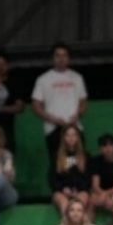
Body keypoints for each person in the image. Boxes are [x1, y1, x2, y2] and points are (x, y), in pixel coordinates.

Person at [31, 42, 88, 174]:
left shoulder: (77, 78)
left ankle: (78, 186)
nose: (61, 58)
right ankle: (60, 187)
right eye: (58, 55)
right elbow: (36, 105)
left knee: (78, 163)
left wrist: (78, 115)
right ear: (53, 58)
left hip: (75, 128)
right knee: (58, 164)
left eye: (64, 55)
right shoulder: (43, 79)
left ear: (68, 58)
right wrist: (52, 119)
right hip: (53, 129)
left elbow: (84, 101)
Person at [51, 125, 90, 216]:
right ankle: (66, 223)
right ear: (64, 138)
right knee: (64, 203)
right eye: (68, 135)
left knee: (79, 204)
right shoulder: (56, 156)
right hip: (61, 191)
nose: (71, 138)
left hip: (80, 191)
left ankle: (78, 224)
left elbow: (88, 178)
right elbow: (52, 178)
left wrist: (77, 190)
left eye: (74, 135)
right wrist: (63, 189)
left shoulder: (86, 156)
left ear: (78, 137)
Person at [89, 133, 113, 214]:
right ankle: (87, 222)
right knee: (93, 199)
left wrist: (105, 194)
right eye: (105, 145)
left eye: (111, 145)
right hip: (99, 191)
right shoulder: (95, 161)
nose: (108, 148)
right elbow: (95, 185)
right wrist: (103, 195)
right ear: (100, 149)